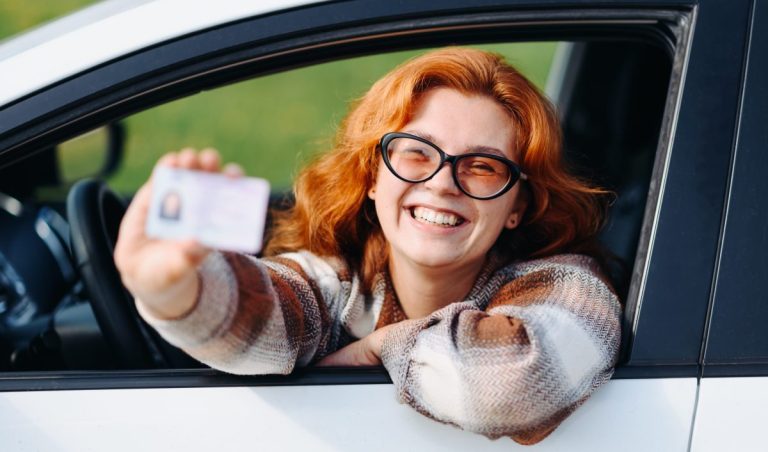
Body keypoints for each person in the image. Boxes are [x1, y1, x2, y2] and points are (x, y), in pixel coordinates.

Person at [114, 47, 621, 445]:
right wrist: (176, 293)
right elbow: (261, 316)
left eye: (483, 166)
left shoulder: (569, 287)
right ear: (373, 177)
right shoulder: (335, 282)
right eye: (417, 154)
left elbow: (512, 385)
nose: (443, 183)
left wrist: (378, 349)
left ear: (517, 206)